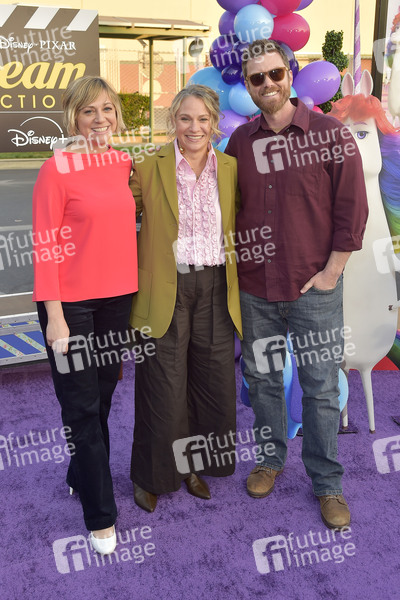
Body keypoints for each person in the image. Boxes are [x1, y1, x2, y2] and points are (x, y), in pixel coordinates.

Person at [225, 40, 368, 528]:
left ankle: (327, 484)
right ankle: (270, 460)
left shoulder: (330, 134)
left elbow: (353, 209)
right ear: (248, 86)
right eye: (256, 78)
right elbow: (229, 208)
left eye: (275, 74)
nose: (267, 84)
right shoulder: (240, 142)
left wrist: (331, 273)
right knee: (263, 381)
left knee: (321, 388)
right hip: (256, 289)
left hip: (315, 289)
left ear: (290, 74)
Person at [32, 76, 138, 554]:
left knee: (103, 397)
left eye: (107, 109)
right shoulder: (55, 169)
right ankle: (101, 515)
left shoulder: (122, 163)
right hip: (69, 306)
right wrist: (54, 316)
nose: (99, 119)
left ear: (117, 115)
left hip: (117, 300)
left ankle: (80, 472)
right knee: (80, 406)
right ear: (73, 117)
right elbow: (45, 245)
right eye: (88, 110)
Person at [129, 84, 242, 513]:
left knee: (211, 383)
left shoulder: (230, 167)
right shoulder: (147, 165)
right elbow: (117, 214)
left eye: (202, 119)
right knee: (162, 384)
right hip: (165, 287)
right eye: (185, 118)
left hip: (215, 286)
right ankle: (150, 475)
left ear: (215, 123)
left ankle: (193, 466)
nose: (194, 127)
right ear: (173, 121)